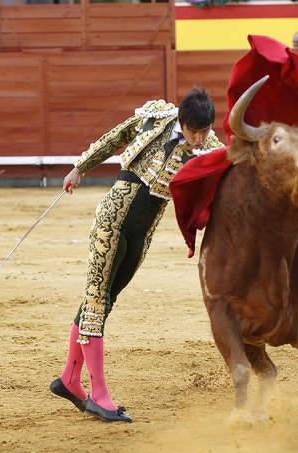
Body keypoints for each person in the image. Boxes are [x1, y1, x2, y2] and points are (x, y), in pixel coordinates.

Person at [49, 89, 223, 423]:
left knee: (104, 299)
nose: (199, 139)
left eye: (205, 131)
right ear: (182, 122)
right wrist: (79, 168)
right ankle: (98, 395)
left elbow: (230, 166)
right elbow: (118, 135)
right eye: (194, 132)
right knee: (97, 300)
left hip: (142, 232)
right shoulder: (156, 116)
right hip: (112, 219)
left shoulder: (210, 147)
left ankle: (70, 379)